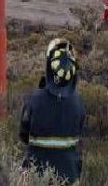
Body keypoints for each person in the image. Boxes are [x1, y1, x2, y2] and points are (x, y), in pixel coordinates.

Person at [20, 38, 86, 184]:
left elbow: (23, 135)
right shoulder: (78, 103)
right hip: (69, 177)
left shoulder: (33, 100)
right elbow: (81, 135)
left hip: (37, 177)